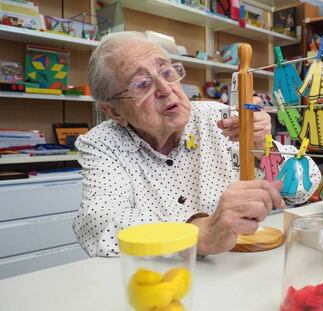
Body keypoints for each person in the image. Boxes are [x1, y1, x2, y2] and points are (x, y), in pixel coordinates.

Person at [73, 31, 285, 257]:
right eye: (143, 84)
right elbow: (98, 224)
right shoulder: (102, 143)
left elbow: (301, 189)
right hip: (158, 281)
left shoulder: (220, 119)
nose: (165, 88)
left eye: (166, 72)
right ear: (113, 111)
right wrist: (197, 234)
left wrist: (265, 148)